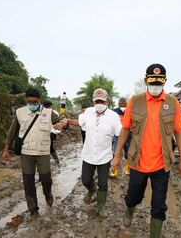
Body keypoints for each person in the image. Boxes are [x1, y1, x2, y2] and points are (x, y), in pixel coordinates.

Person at [111, 64, 181, 238]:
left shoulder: (173, 103)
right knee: (134, 194)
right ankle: (130, 208)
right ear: (145, 81)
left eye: (158, 83)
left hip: (162, 164)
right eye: (151, 82)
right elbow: (125, 129)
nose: (155, 86)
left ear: (164, 82)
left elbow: (179, 132)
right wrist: (117, 156)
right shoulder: (134, 101)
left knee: (159, 204)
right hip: (138, 162)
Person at [57, 88, 121, 217]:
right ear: (93, 101)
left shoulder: (114, 116)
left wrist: (117, 155)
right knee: (86, 180)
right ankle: (91, 190)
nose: (99, 104)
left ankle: (101, 207)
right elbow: (80, 123)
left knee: (103, 184)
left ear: (107, 101)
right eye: (97, 101)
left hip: (105, 156)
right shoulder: (88, 113)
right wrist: (68, 121)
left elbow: (121, 134)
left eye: (102, 101)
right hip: (88, 154)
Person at [2, 88, 61, 216]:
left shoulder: (48, 112)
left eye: (35, 102)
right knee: (28, 182)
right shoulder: (19, 113)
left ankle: (48, 194)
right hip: (26, 152)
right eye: (29, 101)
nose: (32, 104)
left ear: (39, 100)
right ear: (26, 100)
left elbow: (61, 122)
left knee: (46, 179)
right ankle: (33, 209)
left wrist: (61, 124)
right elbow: (12, 133)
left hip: (43, 152)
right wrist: (6, 150)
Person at [110, 97, 132, 177]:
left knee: (128, 153)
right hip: (117, 136)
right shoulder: (115, 112)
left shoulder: (131, 112)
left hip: (129, 136)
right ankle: (114, 172)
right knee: (116, 153)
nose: (123, 107)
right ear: (119, 105)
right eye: (121, 106)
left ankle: (127, 170)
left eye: (124, 106)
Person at [43, 100, 61, 164]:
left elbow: (59, 123)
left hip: (52, 132)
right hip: (44, 132)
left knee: (49, 146)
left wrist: (58, 134)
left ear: (51, 107)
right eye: (46, 108)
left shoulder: (54, 113)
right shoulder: (42, 113)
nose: (47, 109)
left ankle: (56, 160)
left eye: (48, 107)